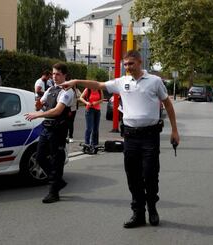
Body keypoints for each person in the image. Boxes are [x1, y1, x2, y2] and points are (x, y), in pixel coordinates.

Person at [62, 50, 180, 228]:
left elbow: (168, 104)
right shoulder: (121, 82)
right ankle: (138, 213)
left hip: (150, 136)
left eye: (131, 64)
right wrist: (76, 81)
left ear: (140, 62)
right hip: (131, 137)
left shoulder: (154, 81)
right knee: (133, 176)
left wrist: (175, 131)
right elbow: (98, 84)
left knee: (150, 174)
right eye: (125, 65)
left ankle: (152, 208)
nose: (128, 67)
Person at [24, 63, 74, 204]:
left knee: (56, 160)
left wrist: (38, 115)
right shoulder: (51, 89)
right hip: (46, 128)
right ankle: (58, 181)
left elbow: (57, 111)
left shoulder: (67, 91)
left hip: (58, 130)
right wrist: (38, 104)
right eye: (53, 74)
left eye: (57, 74)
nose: (54, 76)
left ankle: (53, 192)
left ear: (64, 75)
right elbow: (40, 104)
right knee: (39, 157)